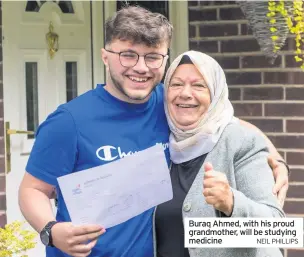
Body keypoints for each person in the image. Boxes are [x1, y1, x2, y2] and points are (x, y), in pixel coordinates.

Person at [18, 6, 288, 257]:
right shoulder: (69, 121)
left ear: (164, 59)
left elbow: (227, 122)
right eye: (128, 55)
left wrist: (273, 158)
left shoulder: (171, 103)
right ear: (105, 56)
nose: (141, 67)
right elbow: (33, 190)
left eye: (152, 57)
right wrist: (50, 231)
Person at [155, 51, 285, 257]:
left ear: (215, 95)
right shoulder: (160, 140)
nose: (185, 93)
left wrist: (232, 203)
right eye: (176, 84)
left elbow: (276, 229)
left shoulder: (241, 142)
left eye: (199, 85)